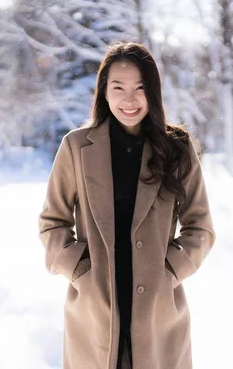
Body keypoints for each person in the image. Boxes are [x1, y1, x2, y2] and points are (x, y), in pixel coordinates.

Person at [38, 40, 216, 369]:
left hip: (158, 315)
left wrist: (171, 271)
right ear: (104, 92)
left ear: (153, 92)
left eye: (140, 87)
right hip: (94, 311)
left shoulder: (176, 147)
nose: (129, 99)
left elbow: (200, 226)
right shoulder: (76, 147)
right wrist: (79, 270)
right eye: (118, 87)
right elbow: (53, 222)